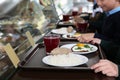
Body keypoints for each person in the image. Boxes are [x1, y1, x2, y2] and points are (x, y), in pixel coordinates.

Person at [77, 0, 120, 77]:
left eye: (102, 0)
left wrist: (118, 69)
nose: (98, 3)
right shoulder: (109, 14)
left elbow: (116, 44)